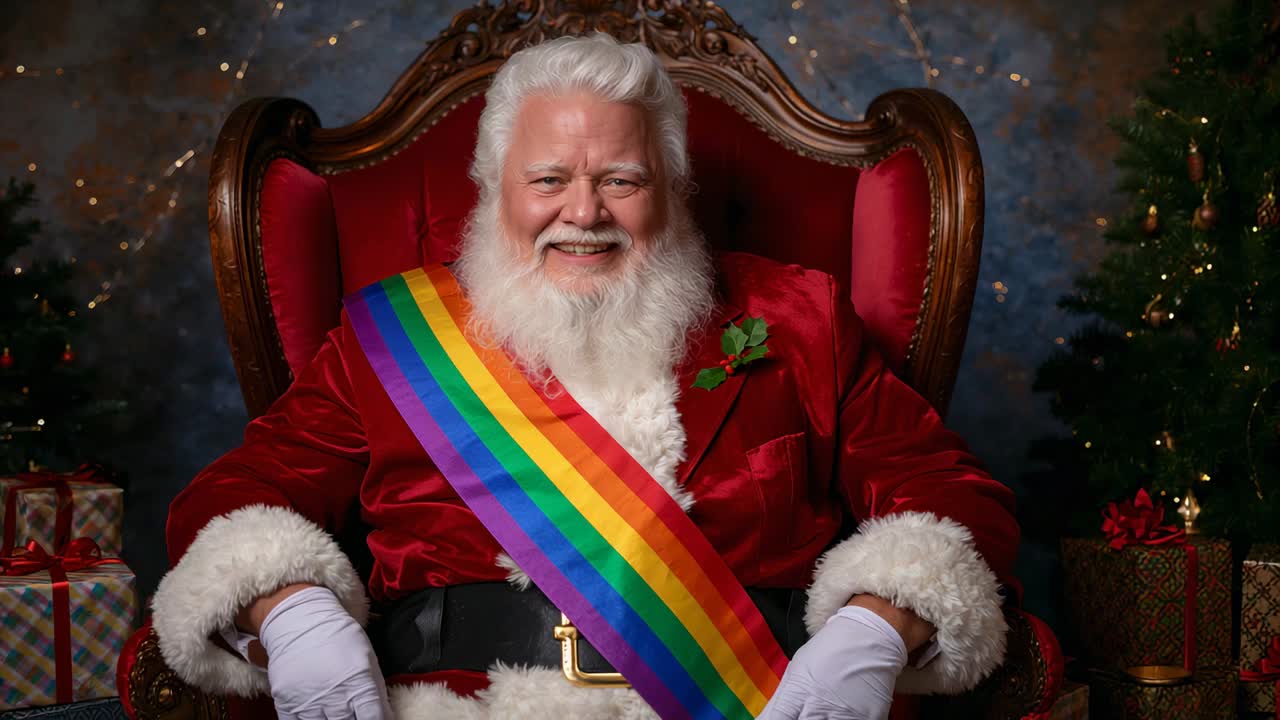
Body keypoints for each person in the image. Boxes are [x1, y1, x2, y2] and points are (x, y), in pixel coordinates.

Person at [150, 33, 1018, 720]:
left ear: (671, 188)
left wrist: (877, 626)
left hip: (746, 703)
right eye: (549, 179)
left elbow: (952, 495)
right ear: (495, 190)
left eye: (621, 179)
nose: (584, 212)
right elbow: (234, 497)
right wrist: (291, 610)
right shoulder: (390, 341)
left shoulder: (800, 321)